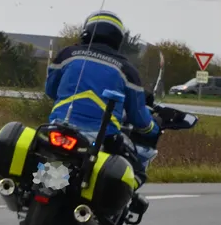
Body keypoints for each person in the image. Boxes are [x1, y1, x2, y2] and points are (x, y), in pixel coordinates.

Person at [44, 10, 160, 187]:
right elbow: (139, 118)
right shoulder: (127, 70)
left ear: (87, 31)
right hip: (101, 139)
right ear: (118, 39)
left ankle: (38, 187)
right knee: (137, 169)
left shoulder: (67, 55)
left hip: (58, 128)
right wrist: (153, 127)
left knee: (42, 156)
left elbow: (50, 90)